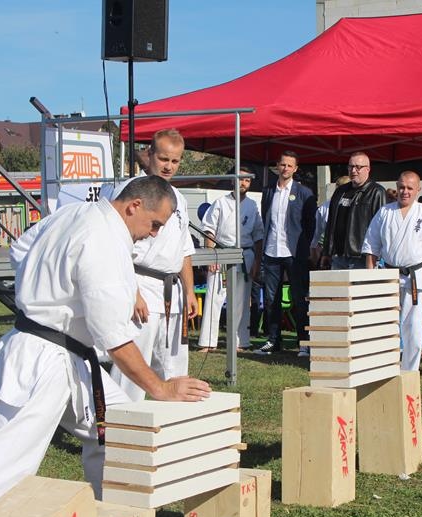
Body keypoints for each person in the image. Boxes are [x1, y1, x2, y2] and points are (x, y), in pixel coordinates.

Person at [0, 176, 212, 517]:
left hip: (68, 355)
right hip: (46, 360)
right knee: (1, 463)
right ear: (134, 206)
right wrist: (160, 388)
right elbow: (114, 338)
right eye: (154, 224)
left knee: (121, 431)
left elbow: (21, 250)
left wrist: (47, 288)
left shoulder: (74, 214)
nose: (153, 234)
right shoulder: (104, 239)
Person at [108, 129, 199, 401]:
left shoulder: (179, 198)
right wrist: (133, 293)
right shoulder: (132, 191)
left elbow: (184, 250)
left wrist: (190, 291)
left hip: (172, 291)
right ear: (149, 155)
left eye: (175, 161)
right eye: (163, 159)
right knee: (133, 366)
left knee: (174, 367)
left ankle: (173, 421)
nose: (169, 166)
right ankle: (122, 417)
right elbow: (117, 245)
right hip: (140, 284)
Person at [362, 171, 422, 371]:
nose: (405, 191)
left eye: (410, 188)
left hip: (416, 274)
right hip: (388, 274)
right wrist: (370, 276)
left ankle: (410, 369)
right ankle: (385, 365)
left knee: (414, 324)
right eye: (401, 187)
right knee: (385, 322)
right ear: (396, 187)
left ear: (418, 189)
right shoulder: (385, 212)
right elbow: (371, 246)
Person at [254, 151, 316, 357]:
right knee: (271, 299)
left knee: (299, 298)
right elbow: (266, 219)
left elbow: (311, 224)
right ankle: (273, 340)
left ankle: (304, 342)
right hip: (272, 251)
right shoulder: (268, 191)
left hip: (294, 253)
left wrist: (306, 248)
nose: (285, 168)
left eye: (290, 165)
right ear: (277, 166)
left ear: (295, 169)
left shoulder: (304, 192)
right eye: (282, 165)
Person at [197, 168, 264, 351]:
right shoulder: (220, 202)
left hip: (244, 254)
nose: (243, 183)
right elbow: (209, 231)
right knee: (214, 297)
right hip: (221, 253)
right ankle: (208, 341)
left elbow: (258, 236)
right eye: (240, 179)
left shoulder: (252, 205)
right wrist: (211, 256)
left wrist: (257, 261)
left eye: (247, 180)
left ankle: (240, 341)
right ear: (232, 180)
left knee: (241, 300)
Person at [321, 153, 387, 270]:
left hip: (361, 256)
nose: (353, 170)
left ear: (368, 169)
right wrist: (326, 251)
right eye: (351, 166)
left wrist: (374, 255)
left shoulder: (376, 192)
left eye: (358, 167)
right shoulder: (340, 191)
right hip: (338, 255)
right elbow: (330, 223)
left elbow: (381, 226)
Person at [310, 176, 350, 266]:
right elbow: (316, 233)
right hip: (332, 252)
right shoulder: (325, 207)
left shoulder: (325, 207)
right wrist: (314, 251)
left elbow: (316, 234)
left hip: (348, 252)